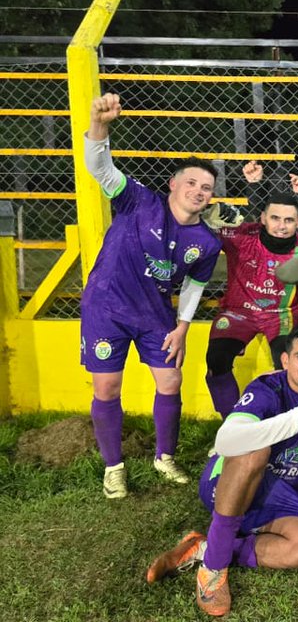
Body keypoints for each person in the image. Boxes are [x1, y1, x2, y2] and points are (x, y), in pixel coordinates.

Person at [145, 324, 298, 618]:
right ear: (285, 361)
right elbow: (227, 441)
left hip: (282, 493)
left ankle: (203, 546)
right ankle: (213, 568)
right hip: (232, 480)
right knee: (253, 449)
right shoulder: (267, 389)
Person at [79, 93, 220, 498]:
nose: (198, 190)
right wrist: (99, 125)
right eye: (191, 182)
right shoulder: (138, 201)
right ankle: (114, 467)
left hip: (155, 315)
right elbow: (100, 168)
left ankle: (165, 456)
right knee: (106, 389)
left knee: (170, 380)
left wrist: (182, 327)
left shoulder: (205, 243)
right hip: (106, 307)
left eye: (206, 187)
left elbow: (194, 287)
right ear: (174, 184)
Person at [204, 192, 298, 418]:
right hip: (238, 312)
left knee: (288, 365)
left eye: (288, 220)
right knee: (216, 359)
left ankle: (284, 425)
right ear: (263, 218)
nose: (282, 226)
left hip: (281, 315)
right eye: (275, 218)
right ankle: (232, 424)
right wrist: (207, 218)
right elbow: (196, 229)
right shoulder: (239, 235)